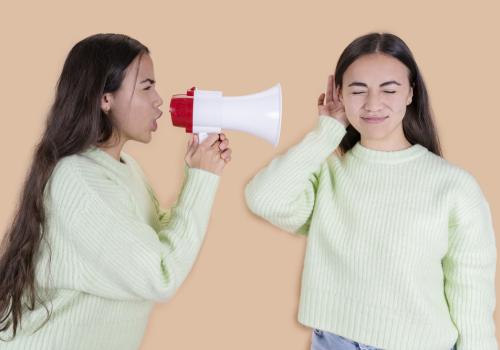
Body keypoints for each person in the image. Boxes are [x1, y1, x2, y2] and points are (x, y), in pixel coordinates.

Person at [244, 32, 496, 350]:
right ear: (339, 95)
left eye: (389, 89)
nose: (373, 104)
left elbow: (472, 298)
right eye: (357, 90)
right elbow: (263, 198)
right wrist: (328, 130)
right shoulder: (327, 173)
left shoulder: (455, 187)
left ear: (410, 93)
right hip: (335, 342)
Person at [0, 33, 232, 349]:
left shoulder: (124, 168)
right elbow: (161, 274)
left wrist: (198, 174)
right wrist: (202, 181)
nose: (159, 100)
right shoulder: (78, 179)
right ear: (104, 99)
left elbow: (157, 240)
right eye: (146, 87)